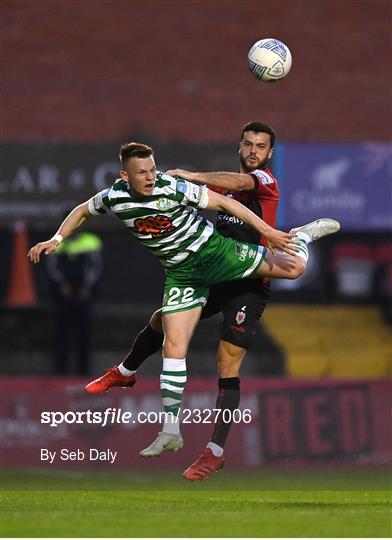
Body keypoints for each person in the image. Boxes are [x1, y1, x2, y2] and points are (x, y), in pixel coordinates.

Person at [28, 142, 339, 476]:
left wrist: (266, 232)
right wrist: (56, 240)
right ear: (124, 176)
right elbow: (82, 210)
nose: (149, 177)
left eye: (151, 169)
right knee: (173, 348)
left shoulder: (170, 186)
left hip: (217, 254)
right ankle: (170, 432)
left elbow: (220, 202)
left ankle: (302, 237)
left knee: (294, 268)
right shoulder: (115, 197)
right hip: (182, 275)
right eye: (141, 173)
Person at [86, 122, 284, 480]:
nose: (254, 151)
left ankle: (214, 451)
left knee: (227, 363)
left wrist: (191, 175)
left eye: (261, 147)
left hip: (249, 283)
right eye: (248, 144)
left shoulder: (265, 181)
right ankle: (127, 371)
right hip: (214, 272)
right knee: (164, 319)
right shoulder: (213, 185)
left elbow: (239, 184)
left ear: (270, 154)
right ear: (239, 146)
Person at [46, 229, 103, 375]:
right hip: (63, 296)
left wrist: (87, 286)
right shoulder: (56, 242)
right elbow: (52, 268)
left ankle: (83, 372)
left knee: (84, 334)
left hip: (84, 295)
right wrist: (61, 285)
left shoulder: (90, 241)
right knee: (62, 334)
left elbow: (96, 267)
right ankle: (61, 371)